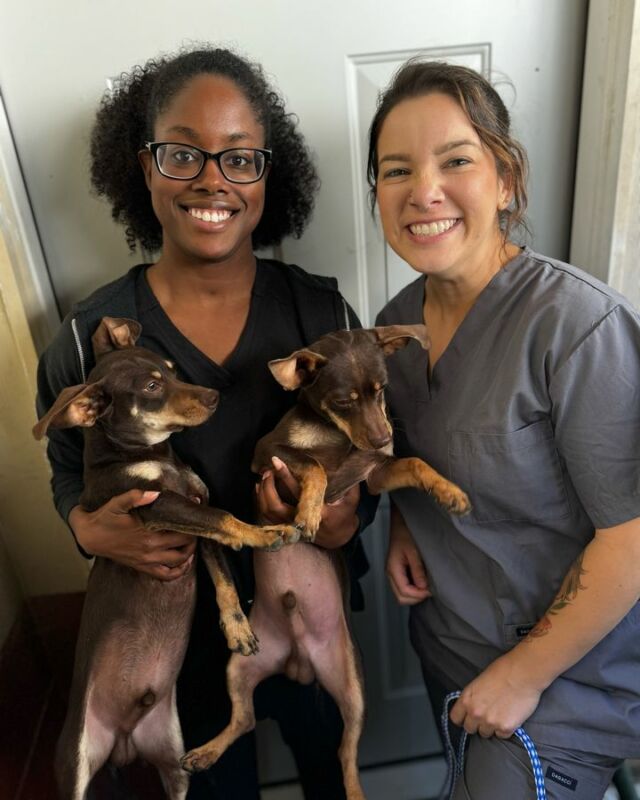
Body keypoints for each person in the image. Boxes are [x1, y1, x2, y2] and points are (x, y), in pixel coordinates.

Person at [36, 45, 374, 800]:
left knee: (337, 772)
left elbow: (370, 449)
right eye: (183, 153)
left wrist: (350, 519)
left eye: (239, 159)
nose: (212, 180)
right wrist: (85, 528)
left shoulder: (320, 313)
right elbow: (67, 467)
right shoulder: (94, 332)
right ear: (144, 167)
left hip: (314, 615)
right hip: (182, 649)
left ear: (266, 175)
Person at [369, 60, 640, 799]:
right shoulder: (392, 329)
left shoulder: (578, 328)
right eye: (397, 171)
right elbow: (410, 446)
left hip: (571, 678)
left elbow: (632, 536)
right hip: (451, 646)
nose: (423, 191)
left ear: (506, 179)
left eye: (455, 160)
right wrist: (401, 519)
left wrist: (521, 676)